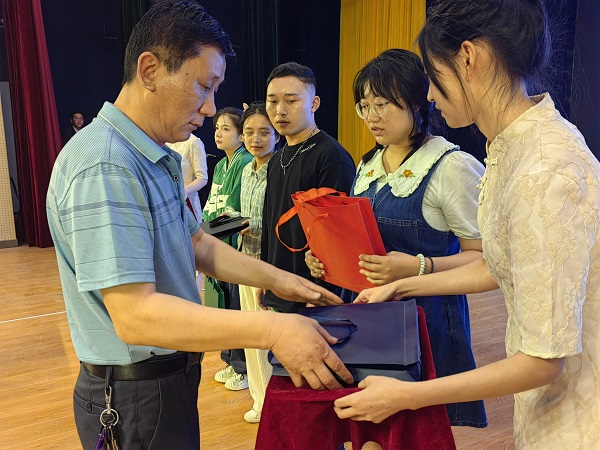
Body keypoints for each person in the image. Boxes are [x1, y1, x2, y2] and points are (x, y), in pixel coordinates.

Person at [46, 3, 353, 449]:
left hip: (164, 380)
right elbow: (135, 316)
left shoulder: (153, 156)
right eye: (203, 86)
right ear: (150, 70)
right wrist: (273, 330)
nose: (210, 108)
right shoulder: (106, 165)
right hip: (133, 393)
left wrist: (278, 279)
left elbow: (197, 244)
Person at [334, 1, 600, 448]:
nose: (430, 95)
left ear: (468, 58)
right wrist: (399, 286)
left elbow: (542, 360)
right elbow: (497, 264)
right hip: (543, 400)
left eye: (433, 76)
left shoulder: (544, 170)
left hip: (578, 410)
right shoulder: (511, 148)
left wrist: (407, 396)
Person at [306, 49, 487, 427]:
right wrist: (325, 255)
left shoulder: (451, 166)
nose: (371, 116)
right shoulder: (368, 164)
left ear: (418, 102)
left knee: (418, 425)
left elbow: (484, 257)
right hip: (366, 312)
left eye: (383, 103)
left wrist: (418, 266)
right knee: (371, 419)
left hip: (425, 318)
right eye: (364, 105)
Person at [260, 62, 356, 313]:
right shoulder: (277, 158)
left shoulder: (331, 156)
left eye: (291, 101)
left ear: (314, 104)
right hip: (279, 288)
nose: (280, 110)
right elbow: (270, 220)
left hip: (313, 295)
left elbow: (338, 235)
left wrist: (321, 292)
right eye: (272, 101)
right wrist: (265, 276)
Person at [223, 101, 280, 423]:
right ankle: (260, 400)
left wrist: (248, 223)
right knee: (251, 339)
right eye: (249, 132)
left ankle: (272, 404)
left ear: (276, 135)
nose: (255, 139)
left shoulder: (279, 170)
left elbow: (278, 222)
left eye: (264, 132)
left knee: (269, 339)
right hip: (244, 260)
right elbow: (244, 214)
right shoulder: (247, 170)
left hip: (268, 266)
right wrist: (227, 221)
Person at [203, 107, 253, 391]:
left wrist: (205, 234)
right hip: (217, 242)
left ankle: (242, 368)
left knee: (235, 307)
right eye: (217, 128)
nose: (218, 134)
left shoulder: (245, 162)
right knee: (221, 305)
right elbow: (213, 203)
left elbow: (234, 211)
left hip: (233, 245)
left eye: (226, 129)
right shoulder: (222, 163)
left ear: (240, 135)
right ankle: (229, 361)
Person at [167, 133, 208, 221]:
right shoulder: (162, 140)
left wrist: (184, 191)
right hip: (166, 202)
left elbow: (202, 178)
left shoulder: (193, 142)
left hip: (187, 202)